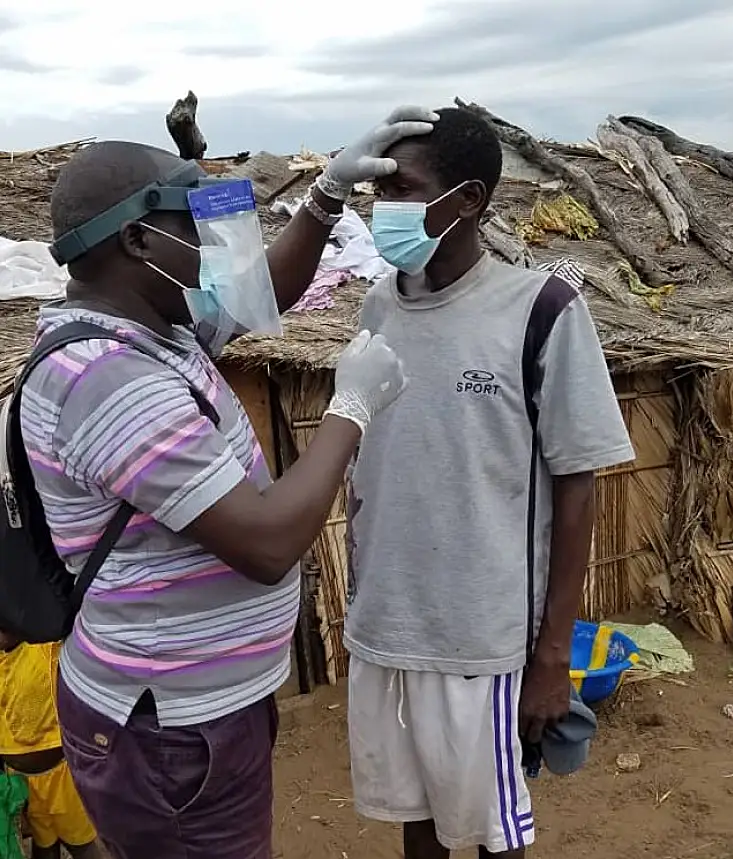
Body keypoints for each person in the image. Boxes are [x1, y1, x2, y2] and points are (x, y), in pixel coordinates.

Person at [18, 106, 434, 859]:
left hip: (188, 710)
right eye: (192, 226)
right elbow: (268, 542)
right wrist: (351, 406)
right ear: (138, 240)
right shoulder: (110, 377)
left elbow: (260, 292)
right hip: (170, 730)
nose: (209, 245)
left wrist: (325, 196)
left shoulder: (150, 326)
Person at [344, 106, 636, 858]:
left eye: (403, 188)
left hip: (483, 638)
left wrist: (550, 657)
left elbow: (578, 487)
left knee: (495, 831)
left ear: (468, 199)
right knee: (418, 822)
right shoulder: (379, 304)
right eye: (379, 189)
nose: (384, 209)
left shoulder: (540, 310)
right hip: (388, 627)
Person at [0, 633, 102, 859]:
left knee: (82, 845)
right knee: (44, 847)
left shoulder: (43, 645)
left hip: (61, 777)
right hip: (20, 783)